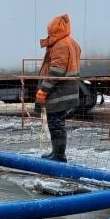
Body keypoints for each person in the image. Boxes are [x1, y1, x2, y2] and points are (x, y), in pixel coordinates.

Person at [35, 14, 82, 162]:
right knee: (55, 123)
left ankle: (59, 155)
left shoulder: (61, 45)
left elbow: (57, 71)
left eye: (50, 31)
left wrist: (44, 89)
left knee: (57, 124)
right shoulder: (71, 42)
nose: (48, 33)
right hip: (66, 90)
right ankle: (56, 152)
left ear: (56, 30)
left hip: (60, 93)